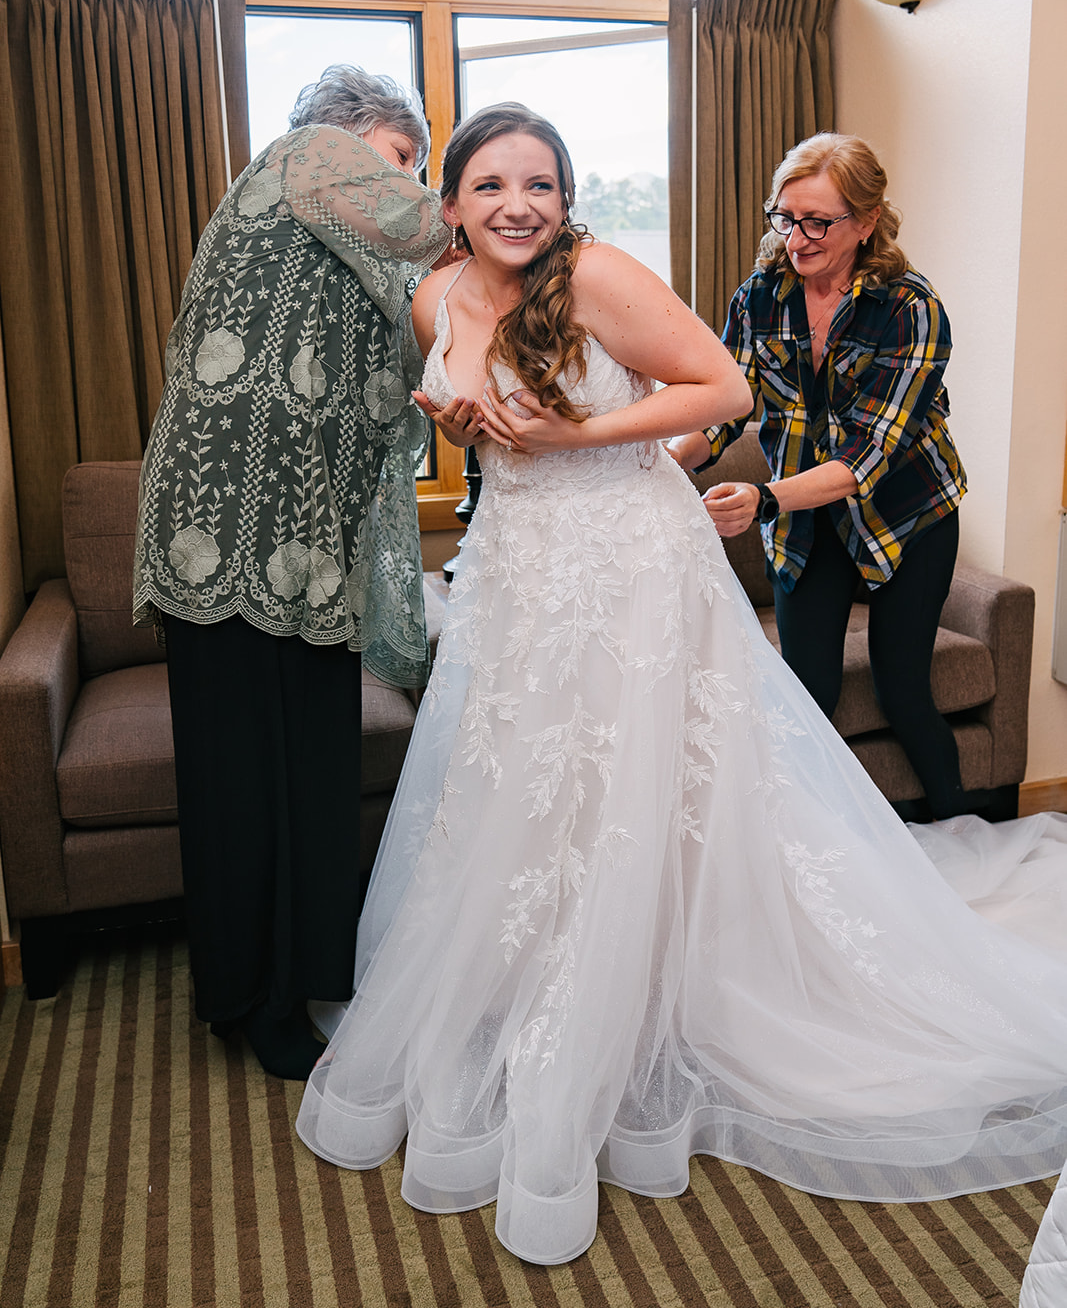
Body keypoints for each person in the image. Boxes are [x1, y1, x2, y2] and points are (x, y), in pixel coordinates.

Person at [296, 104, 1067, 1268]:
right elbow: (480, 437)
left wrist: (569, 440)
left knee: (644, 785)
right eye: (492, 185)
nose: (520, 205)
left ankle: (656, 994)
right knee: (517, 784)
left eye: (542, 184)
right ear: (448, 204)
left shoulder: (595, 274)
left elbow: (718, 392)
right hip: (518, 567)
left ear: (565, 200)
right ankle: (540, 979)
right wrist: (463, 425)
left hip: (630, 561)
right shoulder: (433, 296)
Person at [134, 65, 450, 1080]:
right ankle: (248, 1000)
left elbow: (405, 369)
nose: (408, 182)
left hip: (308, 547)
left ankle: (313, 968)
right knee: (242, 777)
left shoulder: (346, 247)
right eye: (405, 158)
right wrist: (518, 210)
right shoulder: (309, 156)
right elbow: (423, 225)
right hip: (221, 538)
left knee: (312, 764)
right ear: (357, 135)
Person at [670, 133, 972, 821]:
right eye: (784, 217)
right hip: (806, 521)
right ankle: (807, 851)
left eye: (817, 222)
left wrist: (763, 498)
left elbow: (868, 455)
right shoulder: (759, 298)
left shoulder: (910, 309)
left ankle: (960, 824)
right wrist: (661, 458)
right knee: (804, 690)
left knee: (901, 688)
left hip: (905, 518)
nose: (795, 238)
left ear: (864, 224)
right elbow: (726, 405)